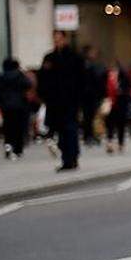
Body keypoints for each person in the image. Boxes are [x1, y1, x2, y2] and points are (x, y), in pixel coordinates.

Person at [38, 30, 85, 172]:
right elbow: (43, 78)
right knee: (60, 131)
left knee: (70, 129)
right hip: (54, 102)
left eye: (59, 39)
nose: (57, 42)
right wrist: (44, 96)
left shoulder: (74, 57)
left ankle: (71, 158)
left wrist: (78, 98)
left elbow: (81, 79)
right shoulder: (49, 58)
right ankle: (67, 158)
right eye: (55, 39)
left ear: (65, 39)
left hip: (70, 101)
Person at [0, 57, 32, 159]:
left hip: (6, 106)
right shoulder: (20, 75)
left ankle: (8, 148)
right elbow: (28, 84)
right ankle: (18, 149)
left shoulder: (2, 76)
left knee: (8, 129)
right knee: (18, 128)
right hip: (19, 105)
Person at [80, 45, 106, 146]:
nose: (94, 54)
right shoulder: (85, 65)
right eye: (92, 52)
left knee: (92, 116)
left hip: (93, 95)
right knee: (88, 116)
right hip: (87, 95)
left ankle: (91, 135)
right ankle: (88, 136)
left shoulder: (93, 64)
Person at [104, 61, 131, 154]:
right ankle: (110, 142)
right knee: (110, 124)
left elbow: (127, 90)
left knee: (121, 125)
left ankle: (120, 143)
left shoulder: (124, 78)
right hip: (111, 104)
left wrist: (121, 91)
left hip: (121, 104)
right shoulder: (107, 77)